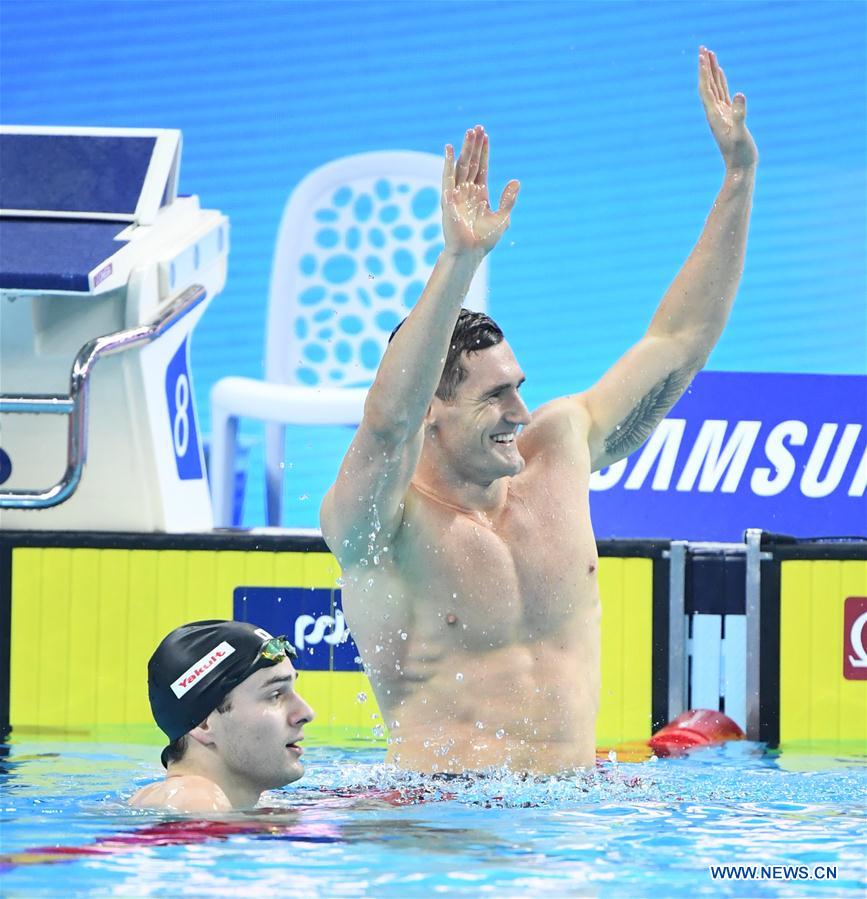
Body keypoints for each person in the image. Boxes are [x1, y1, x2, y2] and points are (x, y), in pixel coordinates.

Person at [320, 47, 757, 774]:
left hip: (571, 820)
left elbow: (678, 340)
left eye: (517, 385)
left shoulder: (558, 451)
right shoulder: (379, 524)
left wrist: (739, 178)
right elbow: (386, 423)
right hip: (442, 829)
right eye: (494, 395)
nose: (520, 410)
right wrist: (457, 260)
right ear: (434, 406)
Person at [129, 620, 314, 811]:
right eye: (275, 695)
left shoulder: (229, 802)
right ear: (203, 724)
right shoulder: (195, 799)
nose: (307, 713)